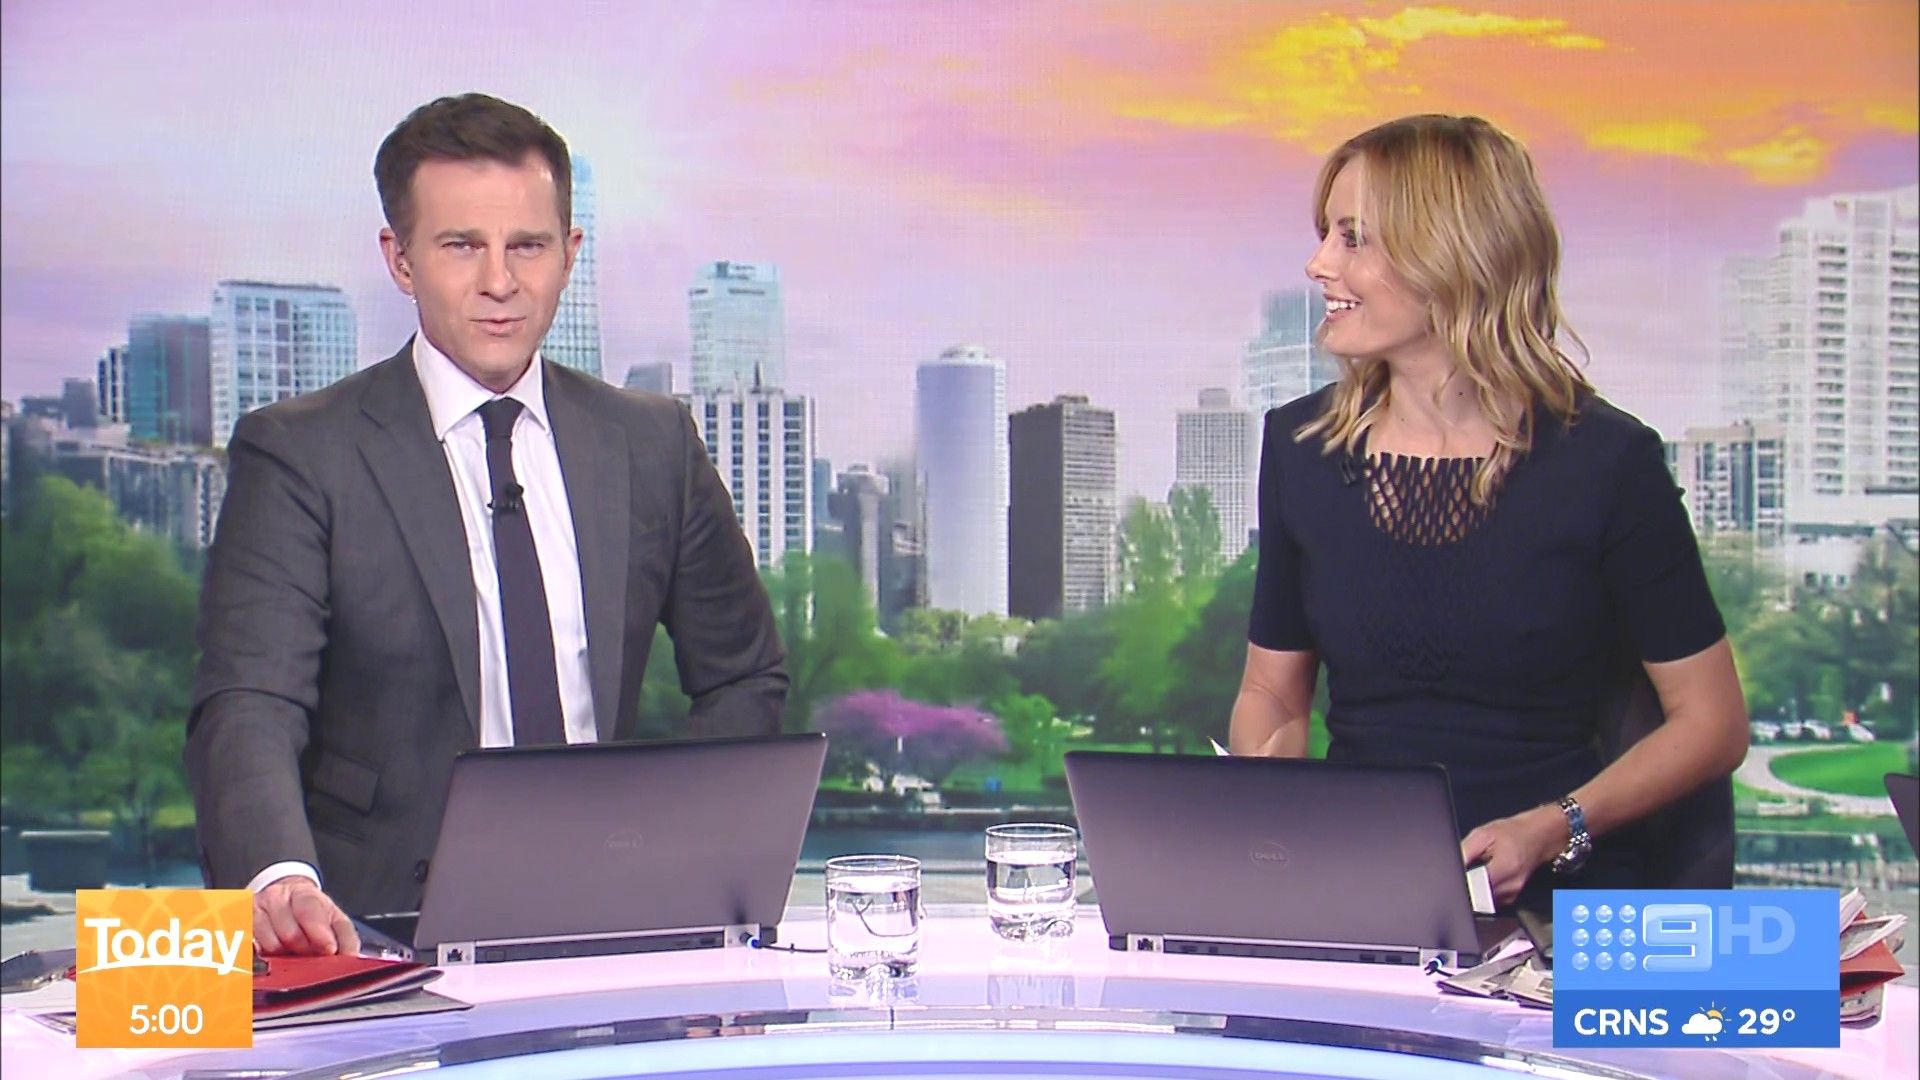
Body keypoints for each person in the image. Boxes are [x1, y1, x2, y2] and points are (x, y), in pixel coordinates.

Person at [187, 94, 787, 956]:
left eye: (528, 246)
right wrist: (279, 875)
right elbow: (250, 698)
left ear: (570, 255)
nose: (499, 282)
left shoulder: (652, 443)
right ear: (400, 260)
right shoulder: (302, 453)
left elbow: (743, 673)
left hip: (616, 927)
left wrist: (691, 868)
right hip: (374, 938)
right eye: (462, 245)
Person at [1228, 114, 1747, 911]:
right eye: (1325, 234)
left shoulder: (1608, 463)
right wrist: (1269, 785)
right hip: (1360, 892)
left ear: (1452, 256)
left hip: (1557, 913)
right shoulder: (1301, 449)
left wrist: (1554, 826)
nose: (1319, 263)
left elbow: (1712, 724)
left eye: (1353, 238)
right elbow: (1271, 690)